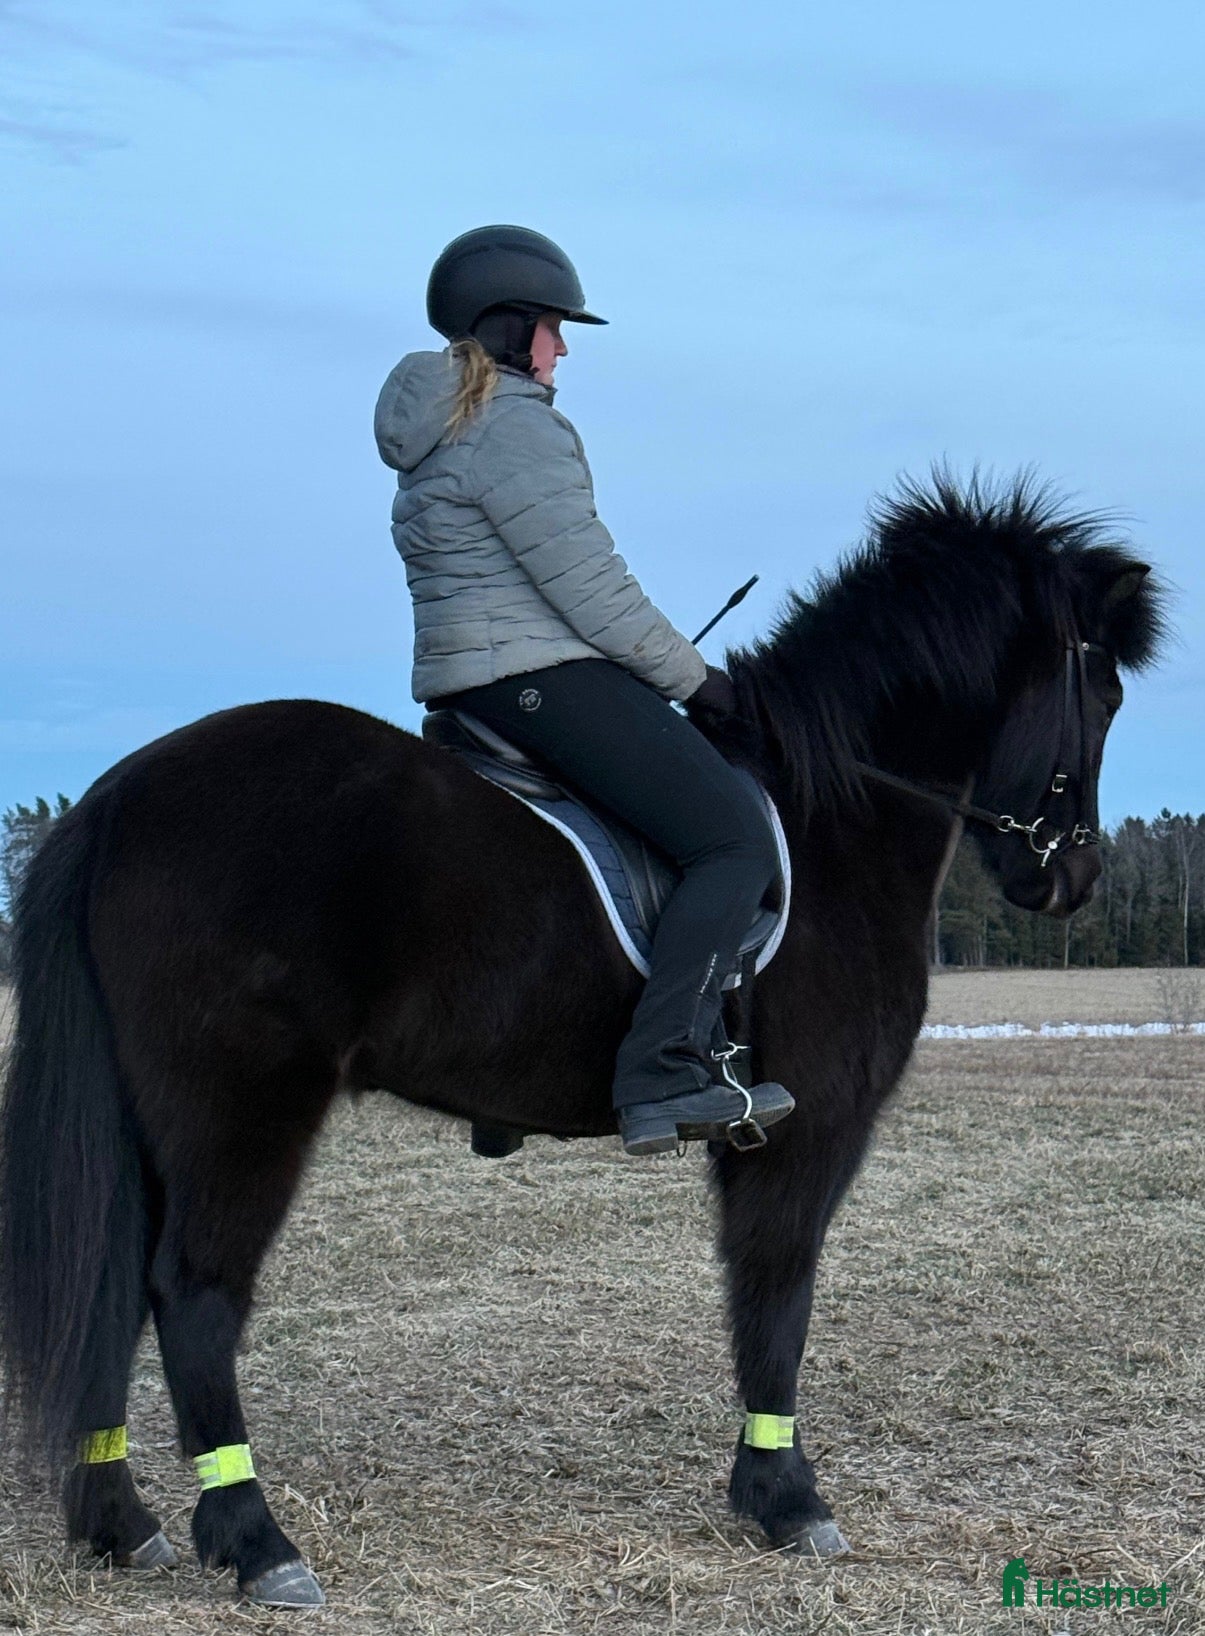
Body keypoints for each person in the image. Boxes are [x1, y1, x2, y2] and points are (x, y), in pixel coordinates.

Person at [374, 224, 794, 1156]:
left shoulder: (439, 431)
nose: (563, 348)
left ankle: (507, 1072)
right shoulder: (515, 424)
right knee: (731, 842)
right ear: (513, 327)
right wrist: (701, 684)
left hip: (468, 689)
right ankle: (661, 1068)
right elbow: (589, 588)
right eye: (556, 328)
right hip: (533, 679)